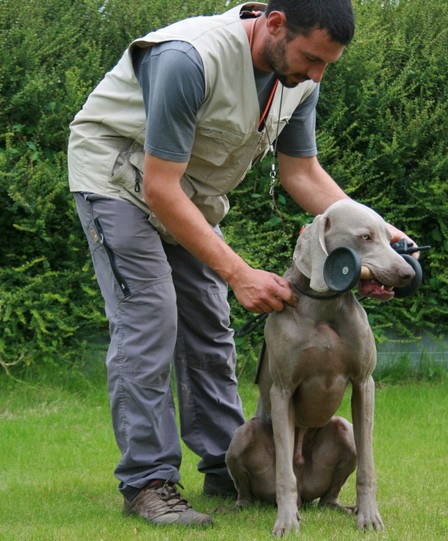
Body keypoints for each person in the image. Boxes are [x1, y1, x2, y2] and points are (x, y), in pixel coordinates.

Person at [68, 0, 413, 528]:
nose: (316, 74)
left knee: (210, 325)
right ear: (274, 24)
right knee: (152, 318)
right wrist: (238, 272)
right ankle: (149, 483)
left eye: (327, 64)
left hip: (188, 198)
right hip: (117, 183)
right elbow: (159, 187)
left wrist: (379, 239)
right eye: (311, 59)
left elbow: (302, 173)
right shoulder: (189, 59)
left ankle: (227, 464)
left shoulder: (297, 75)